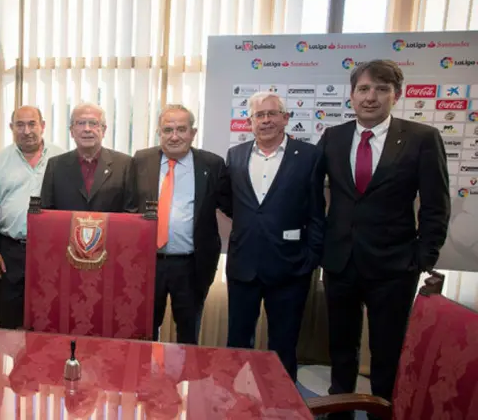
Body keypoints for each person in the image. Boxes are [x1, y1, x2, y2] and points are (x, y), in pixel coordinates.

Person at [317, 59, 450, 418]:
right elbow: (314, 197)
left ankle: (384, 413)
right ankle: (339, 411)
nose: (371, 97)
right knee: (341, 348)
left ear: (396, 95)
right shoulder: (334, 137)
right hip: (340, 262)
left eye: (380, 89)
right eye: (363, 89)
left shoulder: (422, 138)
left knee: (386, 351)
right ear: (352, 95)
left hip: (393, 267)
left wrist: (423, 258)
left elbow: (436, 205)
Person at [223, 91, 325, 382]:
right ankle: (235, 405)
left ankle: (281, 407)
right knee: (237, 342)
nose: (265, 120)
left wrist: (311, 258)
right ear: (250, 122)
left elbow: (317, 212)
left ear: (285, 118)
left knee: (283, 345)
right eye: (259, 115)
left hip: (291, 268)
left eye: (272, 114)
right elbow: (234, 204)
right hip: (244, 266)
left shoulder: (309, 156)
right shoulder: (236, 155)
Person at [131, 104, 232, 344]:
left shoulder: (212, 164)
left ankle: (185, 380)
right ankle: (146, 379)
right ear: (159, 132)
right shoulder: (141, 160)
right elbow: (128, 207)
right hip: (149, 263)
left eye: (181, 129)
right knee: (144, 330)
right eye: (167, 130)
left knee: (188, 332)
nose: (174, 136)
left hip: (191, 265)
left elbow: (232, 206)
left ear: (193, 133)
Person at [0, 105, 64, 329]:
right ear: (11, 128)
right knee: (10, 320)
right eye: (20, 125)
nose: (26, 131)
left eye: (32, 124)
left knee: (49, 317)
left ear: (43, 126)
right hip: (11, 250)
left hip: (52, 251)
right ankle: (15, 365)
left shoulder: (61, 158)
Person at [40, 103, 134, 212]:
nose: (87, 129)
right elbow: (46, 212)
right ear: (71, 131)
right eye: (81, 123)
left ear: (103, 130)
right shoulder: (55, 165)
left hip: (111, 229)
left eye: (93, 123)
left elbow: (130, 213)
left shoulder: (124, 165)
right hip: (66, 229)